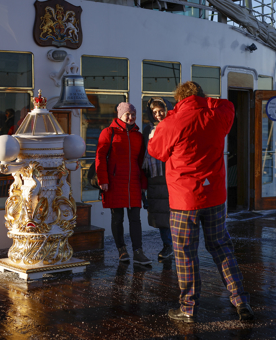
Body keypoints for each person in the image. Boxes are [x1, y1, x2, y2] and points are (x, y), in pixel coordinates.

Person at [148, 81, 254, 322]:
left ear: (178, 100)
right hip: (214, 197)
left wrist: (174, 113)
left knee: (185, 254)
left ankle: (188, 308)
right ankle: (241, 301)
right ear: (202, 96)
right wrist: (204, 102)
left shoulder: (172, 122)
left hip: (184, 201)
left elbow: (155, 151)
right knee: (222, 248)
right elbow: (227, 104)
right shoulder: (217, 114)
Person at [96, 102, 152, 265]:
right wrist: (103, 180)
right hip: (114, 182)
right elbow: (100, 157)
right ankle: (122, 250)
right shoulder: (108, 132)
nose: (131, 117)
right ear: (119, 115)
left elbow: (141, 162)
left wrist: (143, 184)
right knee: (117, 217)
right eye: (127, 114)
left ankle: (138, 252)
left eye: (133, 114)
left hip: (133, 182)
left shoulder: (138, 136)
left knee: (135, 218)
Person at [142, 98, 173, 259]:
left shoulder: (174, 126)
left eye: (161, 110)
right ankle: (167, 245)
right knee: (161, 216)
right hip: (154, 177)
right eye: (154, 112)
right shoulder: (148, 130)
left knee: (174, 214)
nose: (158, 114)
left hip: (172, 176)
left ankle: (178, 245)